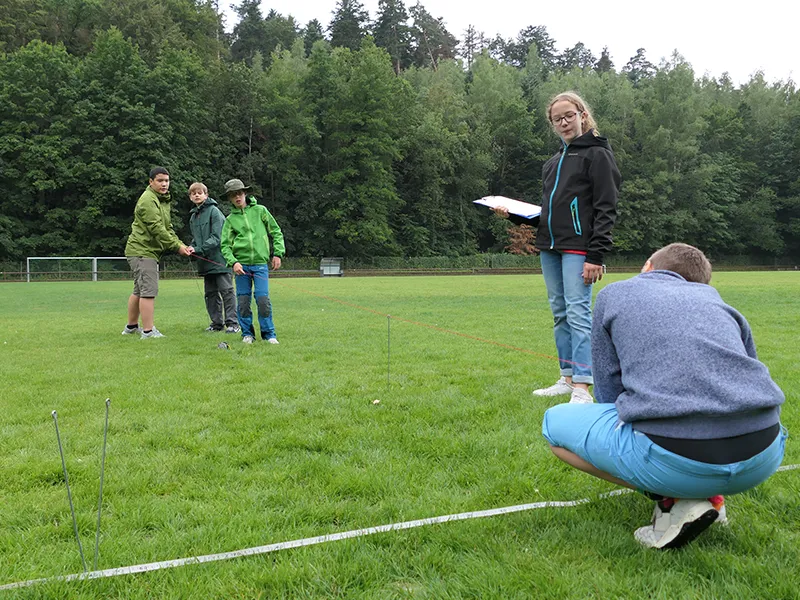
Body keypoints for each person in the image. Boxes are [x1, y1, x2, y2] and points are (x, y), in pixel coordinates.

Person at [542, 243, 787, 549]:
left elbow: (608, 390)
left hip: (677, 460)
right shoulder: (719, 302)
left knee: (553, 425)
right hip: (763, 456)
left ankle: (673, 498)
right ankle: (708, 495)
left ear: (648, 266)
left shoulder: (613, 293)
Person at [495, 91, 620, 404]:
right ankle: (566, 378)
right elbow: (549, 214)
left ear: (582, 115)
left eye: (568, 116)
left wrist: (596, 255)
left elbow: (606, 208)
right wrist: (512, 215)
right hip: (549, 247)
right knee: (560, 314)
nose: (563, 123)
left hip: (579, 248)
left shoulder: (597, 155)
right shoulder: (552, 163)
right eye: (557, 119)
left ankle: (583, 387)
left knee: (578, 313)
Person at [123, 166, 193, 339]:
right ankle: (148, 331)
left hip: (145, 251)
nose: (164, 184)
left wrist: (181, 244)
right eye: (160, 181)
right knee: (148, 291)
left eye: (167, 181)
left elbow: (167, 228)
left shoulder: (161, 200)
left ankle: (131, 327)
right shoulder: (148, 200)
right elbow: (156, 228)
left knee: (139, 290)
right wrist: (177, 247)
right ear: (151, 182)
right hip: (142, 251)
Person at [220, 178, 285, 345]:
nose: (237, 197)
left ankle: (269, 334)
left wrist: (278, 253)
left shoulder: (260, 211)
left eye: (239, 193)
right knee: (243, 302)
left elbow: (276, 231)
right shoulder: (230, 220)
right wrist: (233, 262)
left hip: (260, 264)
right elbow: (225, 245)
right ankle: (247, 334)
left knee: (263, 299)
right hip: (241, 266)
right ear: (229, 198)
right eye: (233, 195)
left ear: (245, 193)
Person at [188, 182, 239, 334]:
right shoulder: (193, 217)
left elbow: (217, 237)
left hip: (220, 260)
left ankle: (233, 324)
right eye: (193, 193)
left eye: (200, 193)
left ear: (206, 195)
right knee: (210, 294)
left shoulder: (214, 211)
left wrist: (198, 249)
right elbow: (196, 239)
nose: (197, 195)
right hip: (205, 263)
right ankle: (216, 324)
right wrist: (190, 248)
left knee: (227, 292)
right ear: (190, 197)